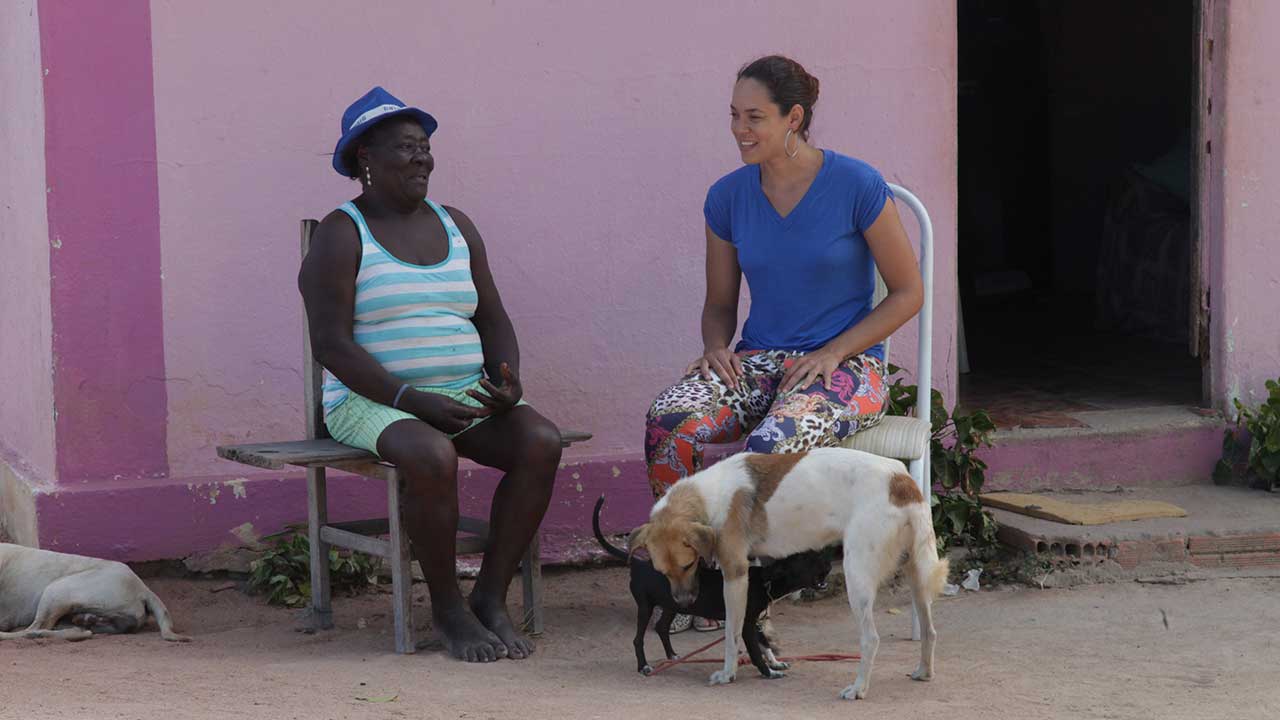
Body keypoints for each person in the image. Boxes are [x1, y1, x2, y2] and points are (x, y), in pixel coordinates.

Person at [644, 57, 924, 631]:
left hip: (844, 367)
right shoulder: (727, 197)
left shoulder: (857, 185)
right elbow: (720, 302)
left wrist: (836, 351)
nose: (740, 130)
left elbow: (907, 292)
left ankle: (755, 597)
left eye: (755, 117)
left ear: (793, 117)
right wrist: (717, 345)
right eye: (733, 116)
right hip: (759, 360)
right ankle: (698, 580)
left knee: (772, 445)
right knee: (668, 421)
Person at [299, 87, 563, 663]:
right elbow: (331, 345)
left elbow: (492, 316)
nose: (422, 158)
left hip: (457, 396)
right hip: (372, 400)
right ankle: (447, 610)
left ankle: (489, 598)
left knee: (539, 441)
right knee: (431, 455)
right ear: (365, 157)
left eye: (424, 147)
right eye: (405, 148)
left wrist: (507, 380)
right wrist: (410, 399)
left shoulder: (457, 224)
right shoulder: (341, 234)